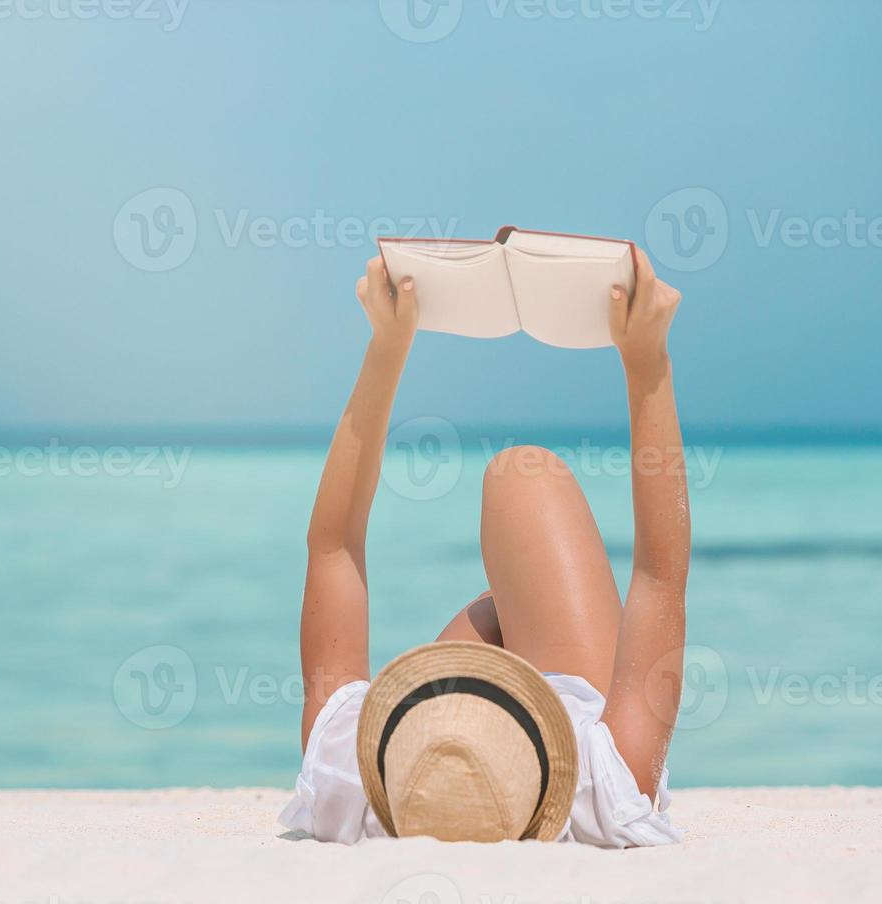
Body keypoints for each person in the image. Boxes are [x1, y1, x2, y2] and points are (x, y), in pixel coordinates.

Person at [280, 248, 690, 847]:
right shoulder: (605, 787)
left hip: (484, 735)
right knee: (523, 474)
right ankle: (511, 612)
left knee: (502, 599)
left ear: (386, 761)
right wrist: (647, 362)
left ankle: (509, 613)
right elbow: (661, 576)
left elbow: (331, 548)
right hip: (504, 710)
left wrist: (386, 349)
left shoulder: (345, 780)